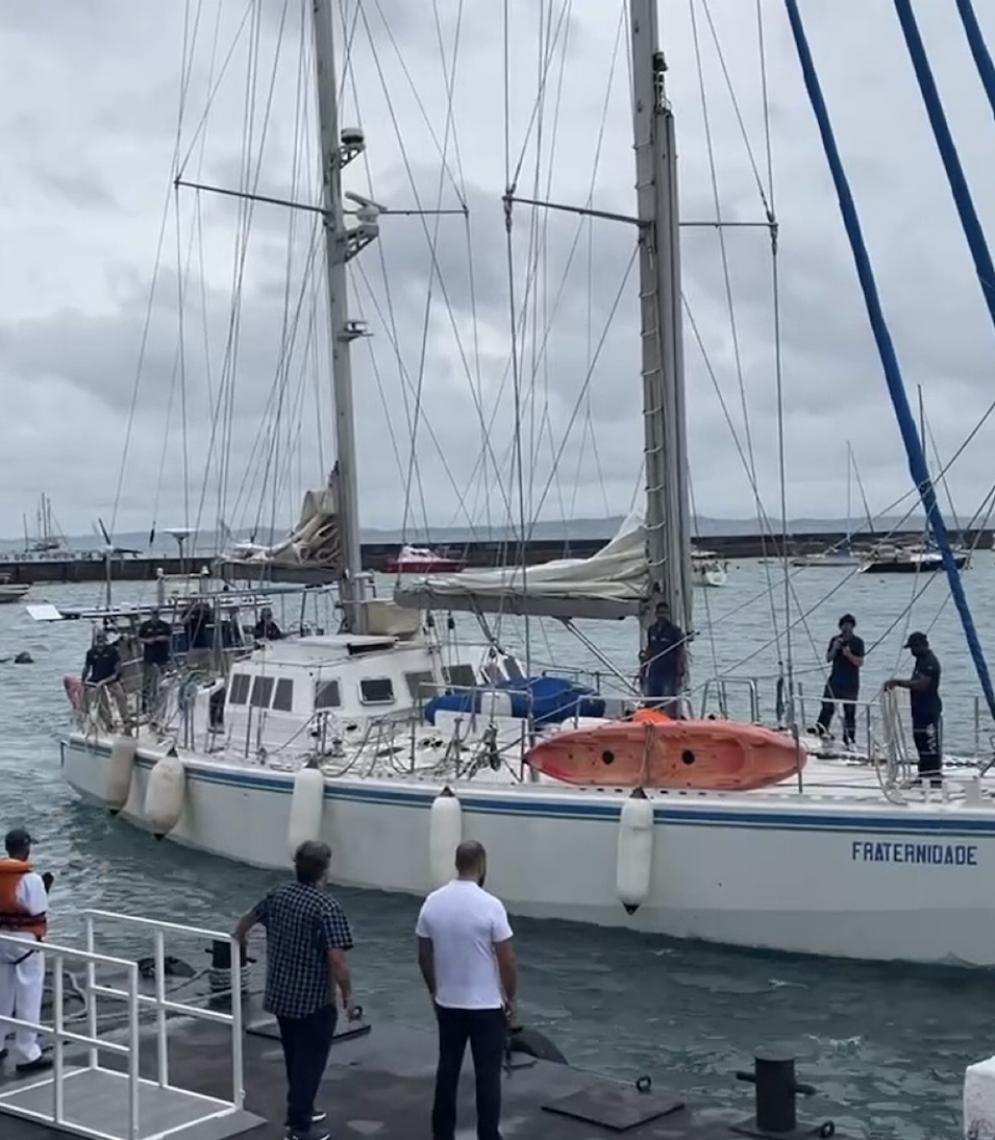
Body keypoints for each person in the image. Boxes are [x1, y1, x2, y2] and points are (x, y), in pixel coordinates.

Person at [233, 841, 355, 1140]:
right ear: (324, 870)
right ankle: (299, 1127)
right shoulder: (326, 906)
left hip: (281, 993)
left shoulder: (279, 894)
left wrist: (239, 942)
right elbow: (337, 959)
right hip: (314, 1000)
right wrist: (347, 995)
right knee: (310, 1062)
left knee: (294, 1055)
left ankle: (303, 1106)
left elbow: (246, 921)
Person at [416, 840, 517, 1140]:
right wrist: (511, 998)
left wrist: (434, 991)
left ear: (456, 863)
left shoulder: (432, 902)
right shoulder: (491, 905)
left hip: (448, 1004)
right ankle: (488, 1135)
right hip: (485, 1007)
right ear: (482, 865)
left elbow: (423, 955)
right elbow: (507, 960)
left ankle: (442, 1134)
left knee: (447, 1072)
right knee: (488, 1078)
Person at [0, 828, 53, 1074]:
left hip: (1, 938)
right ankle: (26, 1053)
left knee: (2, 992)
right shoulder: (31, 879)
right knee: (29, 994)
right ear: (26, 848)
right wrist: (45, 887)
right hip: (25, 942)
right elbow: (38, 910)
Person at [885, 632, 942, 785]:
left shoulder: (929, 661)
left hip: (928, 709)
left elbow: (922, 685)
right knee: (920, 741)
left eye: (914, 648)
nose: (912, 651)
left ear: (922, 645)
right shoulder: (920, 661)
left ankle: (934, 776)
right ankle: (923, 775)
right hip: (919, 709)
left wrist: (898, 682)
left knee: (929, 744)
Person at [815, 614, 866, 747]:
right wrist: (835, 648)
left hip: (851, 683)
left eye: (849, 625)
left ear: (853, 627)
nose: (846, 628)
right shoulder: (835, 640)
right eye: (844, 625)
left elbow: (860, 662)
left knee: (849, 712)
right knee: (826, 708)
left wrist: (848, 654)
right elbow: (828, 658)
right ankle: (821, 732)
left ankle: (849, 740)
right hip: (835, 680)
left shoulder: (858, 642)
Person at [639, 601, 686, 708]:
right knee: (651, 700)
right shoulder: (652, 630)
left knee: (667, 701)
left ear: (668, 614)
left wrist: (680, 673)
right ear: (656, 614)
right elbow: (650, 649)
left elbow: (680, 652)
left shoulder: (675, 631)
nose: (662, 615)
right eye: (660, 613)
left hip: (669, 672)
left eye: (664, 613)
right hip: (654, 670)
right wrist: (643, 668)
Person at [81, 630, 129, 729]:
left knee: (120, 696)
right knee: (102, 701)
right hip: (97, 679)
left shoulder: (112, 650)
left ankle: (126, 719)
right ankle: (108, 723)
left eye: (102, 638)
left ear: (105, 639)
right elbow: (87, 667)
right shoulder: (91, 653)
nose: (100, 640)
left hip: (111, 677)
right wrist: (83, 680)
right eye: (98, 638)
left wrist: (112, 677)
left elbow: (118, 666)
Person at [137, 608, 171, 716]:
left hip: (162, 658)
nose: (155, 616)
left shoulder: (164, 625)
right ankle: (144, 705)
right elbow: (139, 639)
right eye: (153, 614)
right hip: (149, 658)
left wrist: (159, 638)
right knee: (147, 682)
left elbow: (169, 636)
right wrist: (147, 641)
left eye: (157, 614)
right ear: (151, 614)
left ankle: (162, 704)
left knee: (163, 681)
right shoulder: (145, 626)